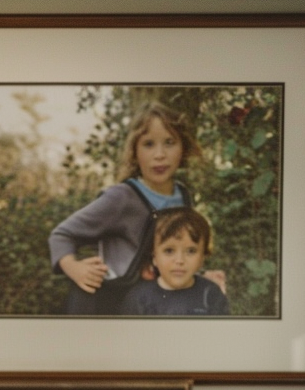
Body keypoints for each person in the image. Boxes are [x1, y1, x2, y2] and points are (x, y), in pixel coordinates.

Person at [48, 100, 198, 315]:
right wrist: (74, 267)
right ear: (135, 151)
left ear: (183, 147)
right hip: (109, 304)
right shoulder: (122, 198)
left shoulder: (183, 196)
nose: (159, 154)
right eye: (148, 144)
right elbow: (61, 235)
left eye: (169, 142)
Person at [120, 208, 230, 316]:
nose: (179, 260)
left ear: (203, 257)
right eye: (169, 251)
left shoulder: (211, 294)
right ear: (154, 257)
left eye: (191, 251)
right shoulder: (139, 298)